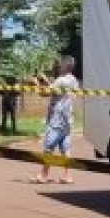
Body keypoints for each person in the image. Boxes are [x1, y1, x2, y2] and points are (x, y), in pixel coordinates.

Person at [31, 56, 79, 185]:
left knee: (48, 148)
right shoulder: (74, 80)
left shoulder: (61, 80)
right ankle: (67, 176)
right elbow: (55, 89)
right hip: (67, 119)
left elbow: (45, 93)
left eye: (60, 65)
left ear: (65, 66)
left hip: (56, 119)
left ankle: (43, 175)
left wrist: (36, 83)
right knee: (65, 150)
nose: (58, 67)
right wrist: (46, 81)